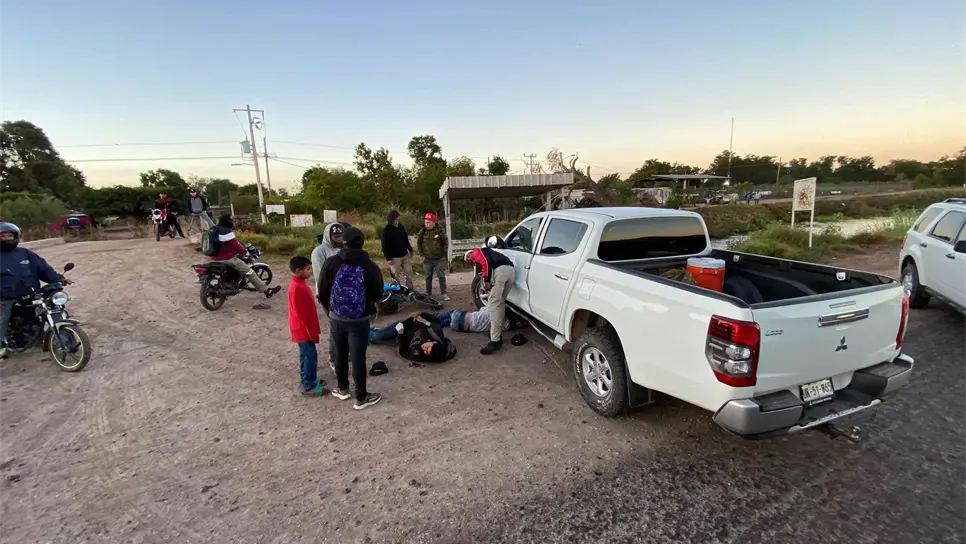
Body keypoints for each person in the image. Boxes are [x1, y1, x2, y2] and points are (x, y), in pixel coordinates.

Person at [318, 227, 385, 410]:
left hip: (336, 318)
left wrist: (332, 309)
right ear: (362, 242)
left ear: (344, 241)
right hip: (360, 319)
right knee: (357, 357)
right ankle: (361, 397)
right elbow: (377, 294)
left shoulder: (332, 262)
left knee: (339, 353)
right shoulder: (370, 266)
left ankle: (342, 389)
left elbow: (322, 290)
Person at [0, 222, 72, 358]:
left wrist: (58, 278)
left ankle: (59, 334)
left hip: (30, 293)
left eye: (10, 235)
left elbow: (43, 268)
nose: (7, 238)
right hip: (6, 297)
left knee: (54, 307)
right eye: (3, 236)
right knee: (2, 317)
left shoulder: (25, 253)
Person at [208, 214, 281, 298]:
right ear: (227, 221)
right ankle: (267, 291)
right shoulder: (226, 231)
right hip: (227, 259)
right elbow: (235, 246)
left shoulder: (213, 230)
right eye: (231, 220)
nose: (233, 222)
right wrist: (245, 252)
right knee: (250, 272)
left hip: (212, 259)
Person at [369, 307, 521, 346]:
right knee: (437, 323)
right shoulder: (502, 325)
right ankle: (374, 333)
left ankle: (373, 332)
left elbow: (483, 308)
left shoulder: (494, 313)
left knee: (434, 319)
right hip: (462, 327)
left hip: (460, 317)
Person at [288, 256, 327, 396]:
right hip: (303, 330)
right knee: (310, 356)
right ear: (298, 271)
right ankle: (309, 386)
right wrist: (311, 332)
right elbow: (301, 315)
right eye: (308, 269)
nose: (310, 272)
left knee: (306, 355)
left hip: (303, 329)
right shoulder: (297, 288)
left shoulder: (299, 284)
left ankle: (309, 379)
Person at [311, 222, 346, 374]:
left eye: (341, 236)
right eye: (335, 236)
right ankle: (334, 359)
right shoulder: (319, 252)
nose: (338, 239)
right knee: (336, 326)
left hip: (345, 294)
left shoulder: (344, 250)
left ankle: (344, 353)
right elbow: (321, 277)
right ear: (328, 235)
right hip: (327, 294)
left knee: (345, 325)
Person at [465, 247, 514, 354]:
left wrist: (487, 280)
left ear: (470, 254)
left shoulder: (476, 252)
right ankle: (496, 333)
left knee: (493, 306)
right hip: (510, 271)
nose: (470, 260)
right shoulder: (490, 253)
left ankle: (495, 341)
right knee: (500, 303)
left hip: (501, 271)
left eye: (468, 259)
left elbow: (485, 262)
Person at [372, 311, 455, 363]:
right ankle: (375, 330)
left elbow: (403, 352)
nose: (425, 350)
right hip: (406, 326)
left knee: (375, 337)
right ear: (433, 342)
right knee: (378, 335)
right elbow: (434, 320)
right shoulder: (436, 333)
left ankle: (370, 331)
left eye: (427, 353)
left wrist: (401, 333)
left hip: (400, 338)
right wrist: (420, 313)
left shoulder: (420, 355)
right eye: (428, 348)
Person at [416, 212, 450, 301]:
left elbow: (445, 242)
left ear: (433, 222)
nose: (426, 224)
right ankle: (428, 293)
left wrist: (444, 254)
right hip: (427, 259)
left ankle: (444, 293)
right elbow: (419, 243)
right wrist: (421, 255)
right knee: (428, 277)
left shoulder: (440, 230)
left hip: (439, 259)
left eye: (428, 222)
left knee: (441, 276)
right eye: (425, 222)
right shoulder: (423, 232)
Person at [381, 210, 414, 290]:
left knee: (409, 274)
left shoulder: (400, 226)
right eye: (396, 219)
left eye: (399, 219)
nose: (398, 221)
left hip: (405, 255)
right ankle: (397, 291)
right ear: (391, 219)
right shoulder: (386, 230)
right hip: (394, 258)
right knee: (396, 276)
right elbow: (384, 245)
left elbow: (405, 238)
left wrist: (410, 248)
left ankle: (410, 290)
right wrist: (388, 258)